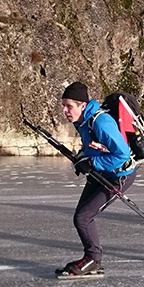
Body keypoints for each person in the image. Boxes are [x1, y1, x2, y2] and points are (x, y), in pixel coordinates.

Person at [57, 81, 136, 276]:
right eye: (63, 105)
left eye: (69, 106)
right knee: (81, 217)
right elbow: (93, 147)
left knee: (83, 217)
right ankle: (92, 258)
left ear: (82, 105)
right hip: (101, 174)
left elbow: (122, 155)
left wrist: (92, 165)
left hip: (119, 176)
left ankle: (93, 259)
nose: (64, 110)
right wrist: (81, 159)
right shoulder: (83, 121)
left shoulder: (101, 122)